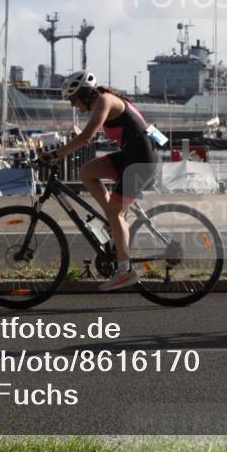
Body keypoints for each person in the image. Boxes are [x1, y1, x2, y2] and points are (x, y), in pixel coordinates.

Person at [39, 70, 161, 291]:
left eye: (73, 99)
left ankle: (125, 271)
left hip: (141, 162)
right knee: (86, 172)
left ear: (85, 94)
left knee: (116, 212)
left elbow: (87, 137)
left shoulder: (104, 101)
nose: (73, 106)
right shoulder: (102, 101)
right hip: (130, 157)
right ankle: (112, 222)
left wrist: (56, 154)